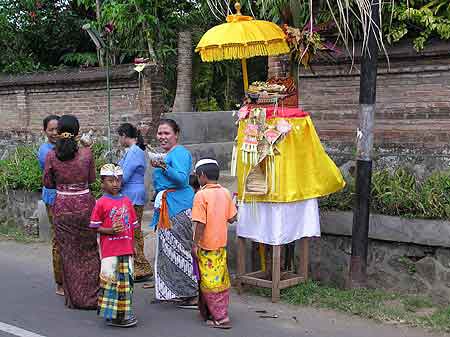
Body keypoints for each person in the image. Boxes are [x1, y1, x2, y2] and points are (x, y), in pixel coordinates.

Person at [43, 115, 100, 309]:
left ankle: (75, 298)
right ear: (77, 132)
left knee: (68, 253)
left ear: (58, 132)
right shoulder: (86, 154)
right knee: (89, 251)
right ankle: (93, 297)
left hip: (62, 208)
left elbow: (48, 183)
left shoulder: (51, 155)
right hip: (85, 206)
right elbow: (92, 179)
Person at [151, 118, 198, 306]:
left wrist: (162, 165)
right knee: (169, 252)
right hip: (168, 206)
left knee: (180, 251)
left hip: (178, 206)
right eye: (160, 133)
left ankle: (191, 293)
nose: (162, 137)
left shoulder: (180, 153)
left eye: (166, 133)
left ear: (176, 134)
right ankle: (178, 291)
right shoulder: (167, 153)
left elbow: (180, 179)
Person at [90, 164, 138, 327]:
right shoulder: (101, 203)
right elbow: (95, 227)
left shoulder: (127, 201)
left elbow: (133, 226)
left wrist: (135, 246)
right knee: (110, 282)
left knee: (126, 283)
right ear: (102, 183)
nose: (115, 184)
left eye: (117, 180)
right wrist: (109, 230)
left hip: (126, 248)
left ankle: (123, 314)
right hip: (110, 251)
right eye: (110, 181)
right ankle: (113, 314)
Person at [191, 158, 237, 329]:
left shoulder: (201, 195)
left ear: (202, 175)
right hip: (221, 245)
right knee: (219, 279)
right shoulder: (225, 192)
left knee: (210, 282)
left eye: (197, 175)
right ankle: (208, 312)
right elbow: (232, 218)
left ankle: (220, 317)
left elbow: (200, 224)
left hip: (206, 246)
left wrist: (194, 244)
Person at [117, 123, 152, 282]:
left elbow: (123, 176)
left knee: (132, 231)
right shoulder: (134, 151)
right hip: (133, 193)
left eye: (120, 136)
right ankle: (138, 265)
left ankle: (141, 266)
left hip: (132, 194)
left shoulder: (134, 152)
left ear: (124, 135)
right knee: (133, 230)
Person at [37, 114, 64, 296]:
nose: (55, 133)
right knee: (58, 239)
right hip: (54, 197)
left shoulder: (62, 147)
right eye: (51, 129)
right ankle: (60, 282)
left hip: (67, 195)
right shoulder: (45, 151)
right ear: (45, 131)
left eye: (58, 129)